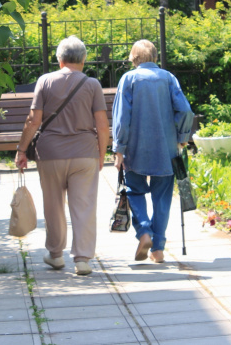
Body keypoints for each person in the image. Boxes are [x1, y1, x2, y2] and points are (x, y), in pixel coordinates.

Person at [15, 36, 110, 276]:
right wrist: (101, 155)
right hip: (84, 153)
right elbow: (102, 126)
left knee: (53, 205)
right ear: (84, 59)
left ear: (59, 59)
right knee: (84, 206)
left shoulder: (45, 81)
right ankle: (83, 260)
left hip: (50, 154)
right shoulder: (92, 85)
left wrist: (21, 149)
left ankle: (55, 255)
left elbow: (33, 120)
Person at [112, 39, 194, 263]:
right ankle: (158, 249)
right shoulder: (168, 78)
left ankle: (144, 232)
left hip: (135, 149)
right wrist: (182, 137)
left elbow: (121, 118)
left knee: (134, 191)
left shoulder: (128, 79)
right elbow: (185, 110)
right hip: (166, 149)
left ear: (133, 58)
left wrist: (119, 149)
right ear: (155, 57)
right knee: (162, 198)